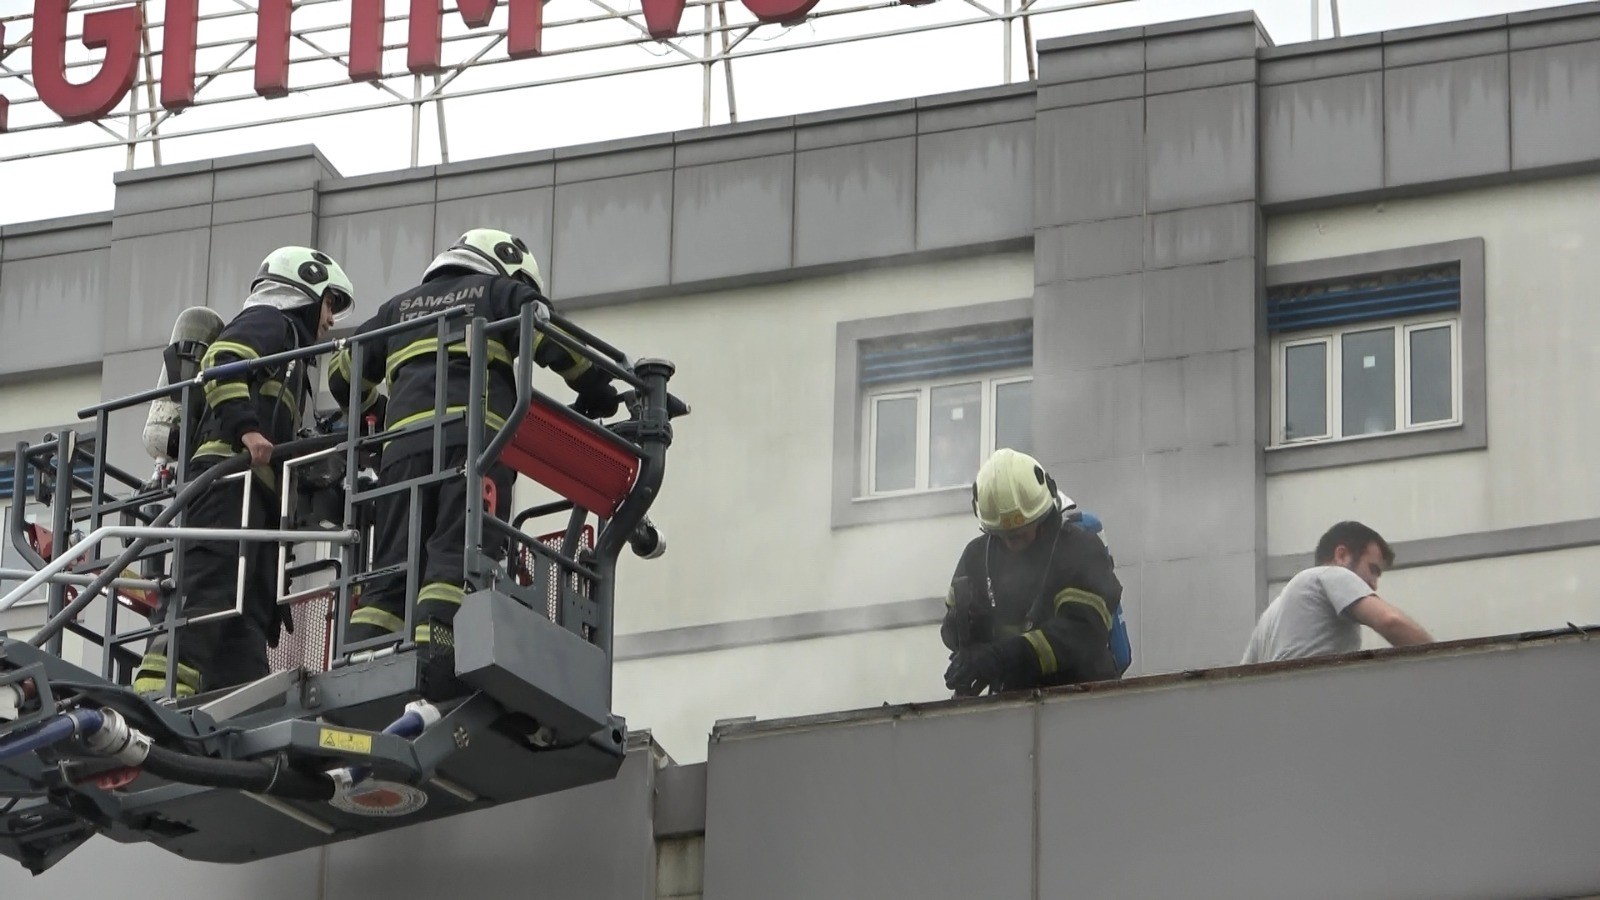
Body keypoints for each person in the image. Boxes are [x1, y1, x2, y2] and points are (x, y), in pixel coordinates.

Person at [331, 228, 620, 679]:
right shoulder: (500, 291)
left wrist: (379, 411)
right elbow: (549, 339)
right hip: (472, 448)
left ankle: (366, 656)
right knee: (456, 553)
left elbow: (341, 375)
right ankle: (439, 649)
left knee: (392, 566)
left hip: (399, 457)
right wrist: (598, 388)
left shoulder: (395, 308)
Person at [134, 247, 355, 698]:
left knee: (251, 612)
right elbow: (222, 362)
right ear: (304, 290)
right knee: (209, 591)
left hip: (255, 497)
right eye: (329, 304)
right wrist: (249, 431)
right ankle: (154, 695)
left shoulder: (293, 349)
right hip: (226, 481)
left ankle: (240, 702)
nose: (330, 320)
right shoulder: (270, 321)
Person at [941, 448, 1124, 696]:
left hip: (1083, 699)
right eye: (1001, 535)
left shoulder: (1079, 551)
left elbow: (1080, 635)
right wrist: (963, 637)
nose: (1010, 543)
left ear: (1042, 515)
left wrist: (1000, 657)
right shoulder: (976, 557)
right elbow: (955, 630)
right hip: (1013, 705)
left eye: (1018, 533)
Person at [1241, 520, 1432, 664]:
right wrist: (1445, 663)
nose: (1374, 585)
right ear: (1342, 555)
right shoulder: (1330, 575)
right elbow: (1391, 622)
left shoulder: (1268, 620)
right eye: (1372, 570)